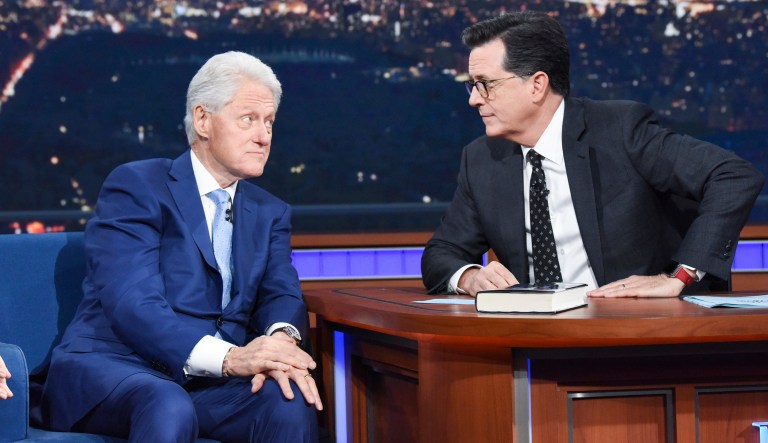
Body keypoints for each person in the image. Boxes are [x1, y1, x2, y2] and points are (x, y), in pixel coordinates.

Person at [33, 51, 321, 442]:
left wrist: (280, 343)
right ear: (203, 119)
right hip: (120, 368)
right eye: (249, 119)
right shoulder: (137, 186)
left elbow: (280, 291)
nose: (264, 135)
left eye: (269, 122)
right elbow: (133, 304)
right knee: (167, 402)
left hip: (210, 384)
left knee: (288, 397)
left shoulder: (270, 211)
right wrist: (231, 358)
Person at [421, 11, 764, 298]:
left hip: (634, 332)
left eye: (486, 84)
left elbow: (733, 175)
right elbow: (441, 254)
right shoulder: (482, 159)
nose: (474, 99)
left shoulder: (620, 130)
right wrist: (468, 276)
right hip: (534, 339)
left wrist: (680, 277)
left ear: (537, 85)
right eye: (472, 85)